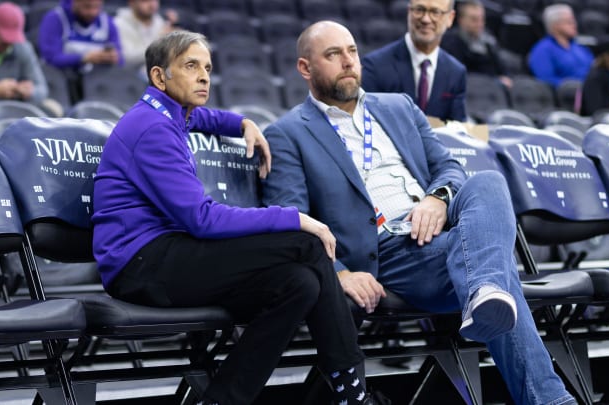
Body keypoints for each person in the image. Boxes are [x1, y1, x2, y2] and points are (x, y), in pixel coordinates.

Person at [261, 20, 577, 405]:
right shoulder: (288, 132)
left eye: (352, 51)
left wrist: (438, 199)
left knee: (488, 182)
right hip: (388, 250)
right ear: (305, 68)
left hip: (436, 227)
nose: (348, 62)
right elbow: (292, 218)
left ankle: (484, 291)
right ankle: (543, 385)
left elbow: (449, 169)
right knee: (497, 268)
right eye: (333, 55)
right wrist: (339, 273)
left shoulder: (398, 106)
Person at [92, 30, 374, 405]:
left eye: (207, 67)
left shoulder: (165, 114)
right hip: (141, 265)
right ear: (160, 77)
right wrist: (296, 218)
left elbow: (200, 118)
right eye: (191, 66)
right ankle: (352, 391)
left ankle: (223, 399)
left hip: (164, 255)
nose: (204, 75)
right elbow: (202, 220)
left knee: (299, 283)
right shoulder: (152, 130)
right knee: (306, 244)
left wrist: (241, 123)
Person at [361, 0, 467, 122]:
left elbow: (458, 130)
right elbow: (368, 123)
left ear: (450, 18)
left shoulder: (456, 72)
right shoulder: (374, 66)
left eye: (435, 12)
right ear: (409, 12)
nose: (426, 19)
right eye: (419, 10)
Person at [38, 0, 123, 102]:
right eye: (87, 7)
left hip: (97, 88)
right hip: (62, 86)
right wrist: (83, 58)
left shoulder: (107, 22)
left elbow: (121, 61)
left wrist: (113, 58)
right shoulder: (55, 19)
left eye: (97, 7)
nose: (93, 12)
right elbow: (50, 58)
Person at [441, 0, 512, 88]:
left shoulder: (488, 40)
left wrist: (505, 78)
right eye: (474, 20)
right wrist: (494, 81)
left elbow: (502, 69)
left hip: (493, 93)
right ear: (461, 20)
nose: (480, 24)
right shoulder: (451, 42)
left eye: (482, 19)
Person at [528, 4, 593, 88]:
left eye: (574, 21)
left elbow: (593, 70)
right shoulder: (542, 49)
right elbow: (545, 80)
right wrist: (575, 86)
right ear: (555, 25)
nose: (575, 25)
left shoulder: (580, 47)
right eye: (569, 22)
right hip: (567, 95)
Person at [114, 0, 178, 71]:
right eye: (145, 1)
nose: (152, 4)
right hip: (131, 77)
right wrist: (159, 41)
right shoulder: (118, 24)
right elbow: (126, 59)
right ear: (132, 2)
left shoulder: (160, 21)